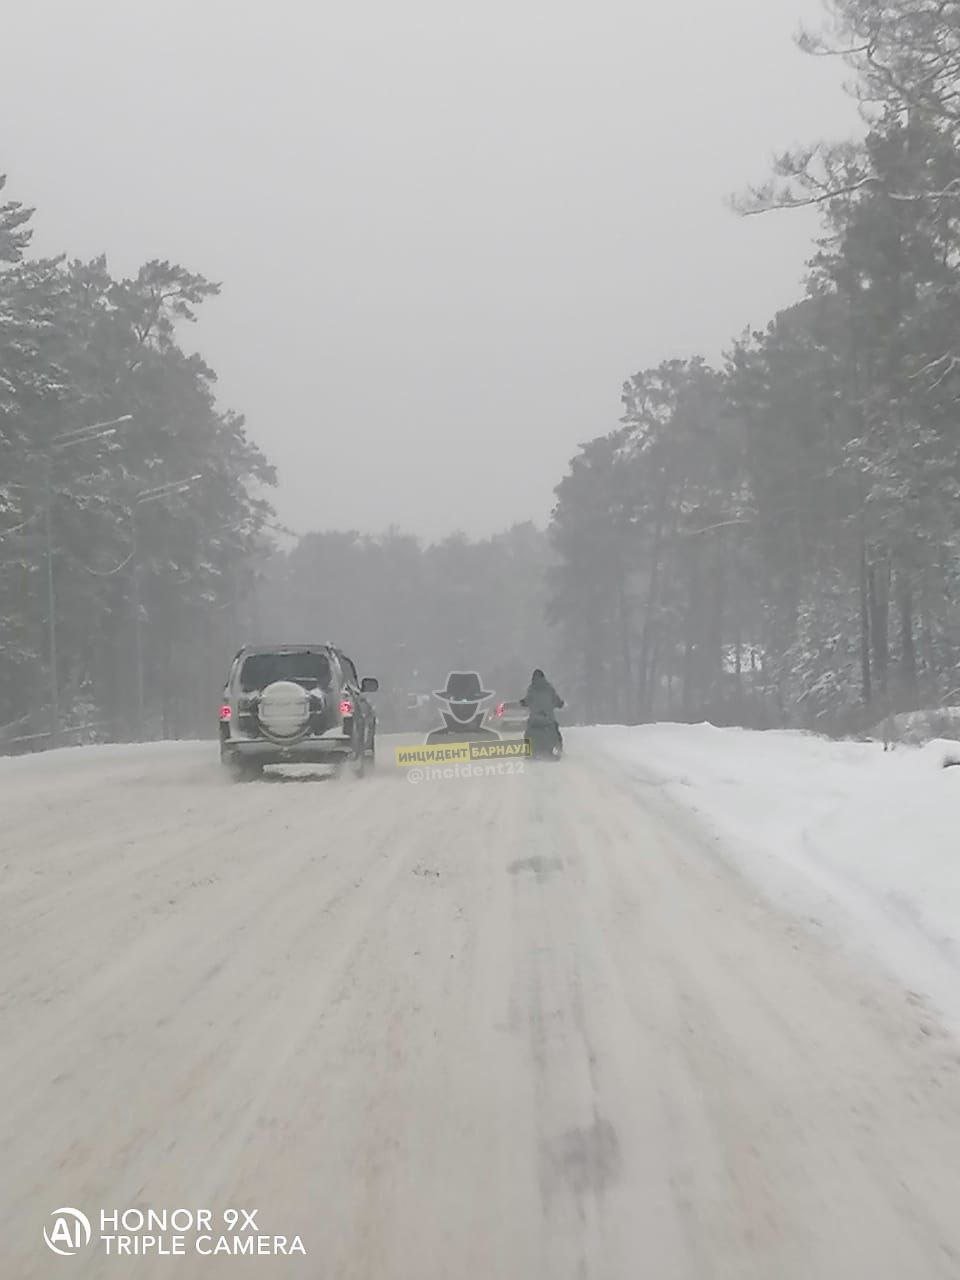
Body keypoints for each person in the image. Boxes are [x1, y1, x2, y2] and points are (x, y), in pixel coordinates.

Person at [520, 669, 564, 751]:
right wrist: (560, 704)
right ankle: (558, 749)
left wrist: (523, 702)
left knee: (528, 733)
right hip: (548, 719)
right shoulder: (549, 688)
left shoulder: (531, 689)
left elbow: (527, 700)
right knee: (556, 733)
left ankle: (528, 750)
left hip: (534, 719)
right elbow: (556, 700)